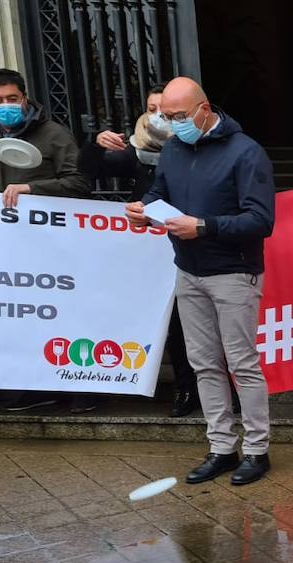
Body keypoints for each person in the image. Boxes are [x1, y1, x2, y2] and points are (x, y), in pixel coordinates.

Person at [127, 77, 275, 486]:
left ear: (204, 109)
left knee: (242, 364)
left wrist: (205, 226)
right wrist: (144, 210)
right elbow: (160, 193)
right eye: (166, 116)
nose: (172, 124)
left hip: (232, 272)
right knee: (204, 364)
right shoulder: (174, 148)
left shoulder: (246, 153)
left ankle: (258, 450)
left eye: (179, 116)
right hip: (188, 269)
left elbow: (261, 220)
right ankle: (222, 447)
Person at [0, 68, 91, 413]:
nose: (5, 106)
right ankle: (32, 387)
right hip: (6, 247)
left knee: (62, 314)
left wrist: (34, 189)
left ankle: (78, 389)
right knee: (22, 316)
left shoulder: (54, 134)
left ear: (25, 96)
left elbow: (79, 183)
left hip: (53, 245)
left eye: (12, 99)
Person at [79, 84, 203, 419]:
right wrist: (94, 146)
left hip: (191, 246)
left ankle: (218, 389)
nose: (159, 117)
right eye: (152, 109)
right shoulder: (135, 153)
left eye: (166, 111)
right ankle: (185, 387)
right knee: (172, 321)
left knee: (199, 322)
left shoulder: (197, 150)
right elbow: (90, 172)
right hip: (150, 253)